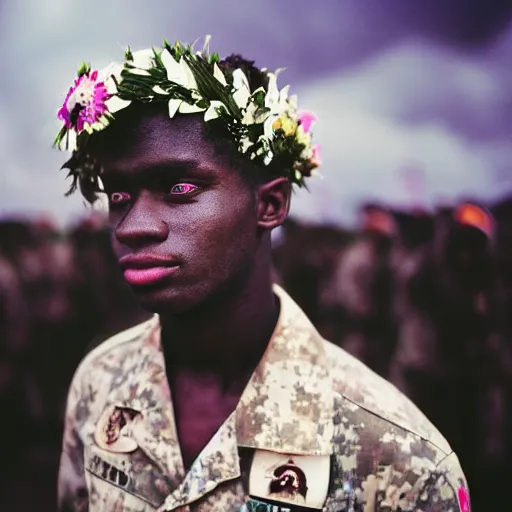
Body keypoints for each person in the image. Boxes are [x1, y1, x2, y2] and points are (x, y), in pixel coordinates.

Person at [54, 37, 470, 512]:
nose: (132, 226)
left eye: (180, 187)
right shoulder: (99, 382)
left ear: (269, 205)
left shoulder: (401, 458)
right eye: (121, 195)